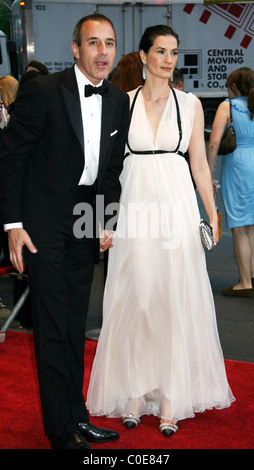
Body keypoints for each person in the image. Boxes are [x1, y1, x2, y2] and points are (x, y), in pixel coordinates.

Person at [86, 24, 235, 437]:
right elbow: (107, 169)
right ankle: (135, 391)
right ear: (143, 56)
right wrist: (103, 219)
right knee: (138, 296)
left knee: (172, 296)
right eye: (162, 52)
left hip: (175, 207)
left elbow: (199, 164)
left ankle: (171, 395)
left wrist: (212, 210)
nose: (169, 60)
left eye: (174, 52)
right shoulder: (122, 102)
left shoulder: (189, 104)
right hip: (133, 208)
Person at [0, 13, 130, 449]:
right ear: (76, 49)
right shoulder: (43, 91)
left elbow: (111, 170)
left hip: (84, 222)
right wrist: (13, 226)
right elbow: (11, 159)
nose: (103, 52)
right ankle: (61, 431)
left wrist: (105, 222)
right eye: (94, 43)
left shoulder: (117, 100)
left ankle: (77, 416)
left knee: (75, 325)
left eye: (109, 43)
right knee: (54, 326)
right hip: (42, 223)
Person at [207, 67, 254, 298]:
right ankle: (252, 275)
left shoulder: (228, 106)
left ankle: (245, 282)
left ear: (234, 87)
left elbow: (214, 143)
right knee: (253, 226)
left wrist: (207, 171)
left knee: (239, 228)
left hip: (238, 168)